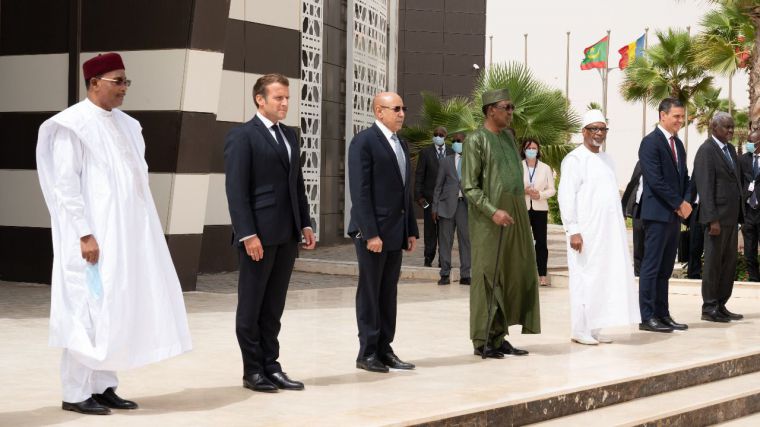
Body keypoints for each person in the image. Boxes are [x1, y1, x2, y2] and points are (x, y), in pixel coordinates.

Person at [36, 52, 192, 415]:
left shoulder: (128, 125)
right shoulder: (71, 125)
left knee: (115, 307)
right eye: (117, 81)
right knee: (87, 309)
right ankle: (75, 393)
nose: (124, 89)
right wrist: (84, 234)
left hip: (125, 237)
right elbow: (65, 187)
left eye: (126, 82)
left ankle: (104, 385)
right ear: (94, 84)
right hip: (92, 238)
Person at [224, 73, 316, 393]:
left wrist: (305, 223)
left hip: (287, 234)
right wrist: (247, 234)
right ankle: (252, 370)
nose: (285, 103)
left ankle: (271, 366)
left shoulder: (290, 135)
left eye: (287, 97)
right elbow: (236, 191)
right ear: (260, 100)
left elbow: (296, 185)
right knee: (251, 306)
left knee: (273, 306)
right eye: (278, 98)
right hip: (258, 237)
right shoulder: (242, 136)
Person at [462, 88, 540, 358]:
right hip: (489, 220)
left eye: (511, 107)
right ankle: (482, 338)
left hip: (515, 215)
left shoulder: (508, 138)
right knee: (487, 277)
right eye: (506, 107)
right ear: (490, 109)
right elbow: (469, 187)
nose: (510, 112)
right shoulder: (476, 140)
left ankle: (499, 334)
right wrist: (493, 210)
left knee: (510, 274)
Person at [347, 92, 419, 373]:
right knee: (370, 291)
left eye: (403, 108)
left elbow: (405, 192)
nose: (402, 113)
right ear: (379, 111)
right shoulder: (363, 142)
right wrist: (370, 233)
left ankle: (384, 348)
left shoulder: (401, 142)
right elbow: (360, 192)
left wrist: (410, 229)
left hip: (395, 232)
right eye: (396, 108)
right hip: (373, 234)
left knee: (388, 292)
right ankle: (367, 352)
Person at [558, 110, 640, 345]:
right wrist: (573, 229)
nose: (598, 133)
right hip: (584, 233)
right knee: (584, 279)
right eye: (593, 128)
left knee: (602, 277)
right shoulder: (574, 159)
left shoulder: (607, 160)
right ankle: (579, 329)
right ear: (584, 132)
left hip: (607, 233)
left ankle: (594, 327)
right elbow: (566, 197)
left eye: (602, 129)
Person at [637, 98, 692, 333]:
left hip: (673, 215)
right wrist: (678, 202)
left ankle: (663, 314)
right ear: (662, 115)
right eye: (676, 116)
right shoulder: (650, 143)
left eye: (682, 117)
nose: (680, 121)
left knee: (666, 268)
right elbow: (655, 180)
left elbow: (685, 177)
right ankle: (647, 317)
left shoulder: (678, 144)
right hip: (657, 214)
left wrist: (687, 201)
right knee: (651, 267)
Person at [692, 112, 743, 322]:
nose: (730, 131)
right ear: (714, 127)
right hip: (717, 219)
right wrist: (711, 218)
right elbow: (704, 187)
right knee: (713, 263)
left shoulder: (730, 149)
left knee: (728, 263)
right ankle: (709, 306)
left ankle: (721, 303)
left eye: (732, 127)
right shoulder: (706, 151)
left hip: (731, 217)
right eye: (726, 127)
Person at [432, 132, 471, 286]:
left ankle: (465, 275)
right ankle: (445, 274)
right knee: (445, 241)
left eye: (459, 141)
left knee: (466, 241)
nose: (456, 143)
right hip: (446, 206)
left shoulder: (472, 161)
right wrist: (434, 207)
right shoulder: (445, 161)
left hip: (465, 206)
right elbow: (438, 186)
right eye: (454, 141)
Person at [415, 126, 453, 267]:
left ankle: (443, 260)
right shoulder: (425, 153)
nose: (438, 136)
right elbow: (419, 175)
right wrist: (419, 196)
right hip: (429, 199)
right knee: (430, 231)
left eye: (441, 135)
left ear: (445, 137)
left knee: (444, 232)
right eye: (435, 134)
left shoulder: (451, 152)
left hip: (446, 200)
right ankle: (428, 258)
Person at [521, 138, 556, 286]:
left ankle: (542, 274)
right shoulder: (518, 166)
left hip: (540, 208)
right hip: (523, 208)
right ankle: (523, 274)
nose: (531, 151)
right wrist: (524, 191)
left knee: (541, 242)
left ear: (538, 150)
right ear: (524, 150)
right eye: (529, 148)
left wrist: (540, 195)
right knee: (522, 243)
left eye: (534, 148)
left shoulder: (545, 167)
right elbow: (512, 187)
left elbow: (552, 189)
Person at [738, 130, 760, 282]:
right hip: (748, 212)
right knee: (749, 250)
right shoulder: (742, 160)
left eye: (752, 142)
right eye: (748, 141)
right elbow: (738, 182)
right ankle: (754, 279)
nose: (749, 145)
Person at [621, 161, 645, 276]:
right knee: (639, 243)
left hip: (656, 209)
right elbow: (632, 183)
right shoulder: (641, 162)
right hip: (639, 205)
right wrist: (623, 207)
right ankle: (638, 274)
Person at [686, 183, 705, 279]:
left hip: (711, 209)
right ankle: (694, 274)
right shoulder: (698, 167)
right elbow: (691, 187)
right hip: (696, 209)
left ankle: (709, 276)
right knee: (694, 245)